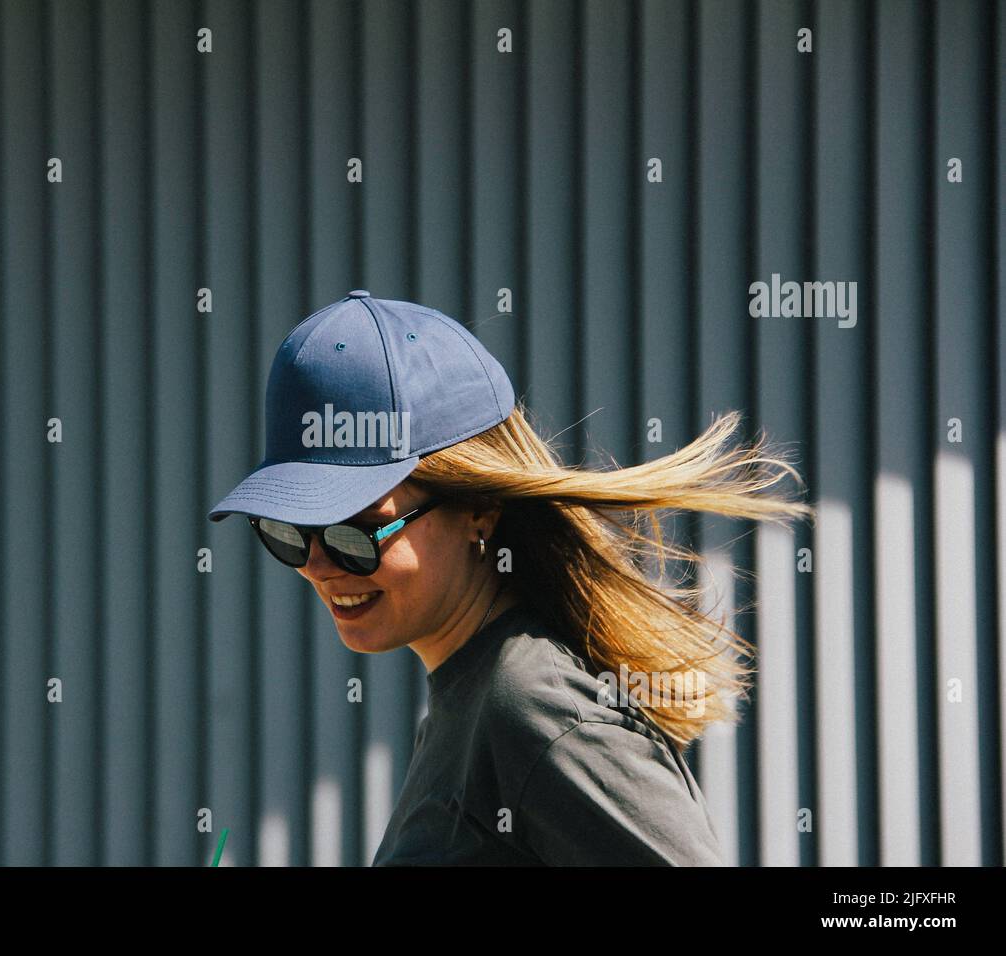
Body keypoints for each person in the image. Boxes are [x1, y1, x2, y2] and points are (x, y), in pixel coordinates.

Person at [207, 290, 813, 865]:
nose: (317, 564)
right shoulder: (469, 697)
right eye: (288, 531)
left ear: (479, 509)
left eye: (358, 529)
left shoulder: (534, 710)